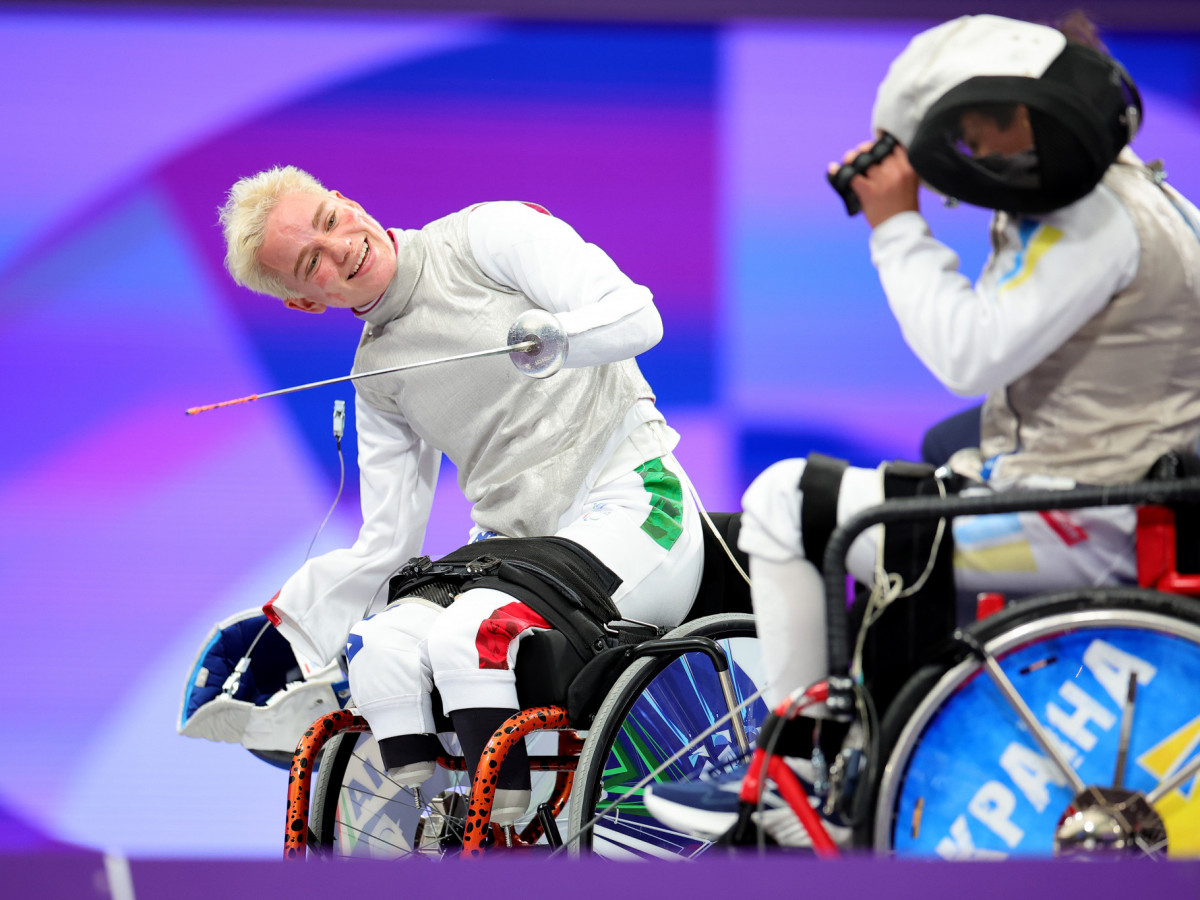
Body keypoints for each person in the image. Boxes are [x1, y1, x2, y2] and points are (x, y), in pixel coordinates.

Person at [645, 13, 1200, 848]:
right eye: (969, 140)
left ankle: (796, 773)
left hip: (1088, 519)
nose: (984, 156)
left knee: (784, 502)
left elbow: (965, 351)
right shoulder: (1147, 196)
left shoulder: (1094, 220)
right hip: (1117, 495)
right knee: (930, 457)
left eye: (989, 132)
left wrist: (896, 224)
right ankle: (876, 731)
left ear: (1040, 107)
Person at [193, 166, 704, 828]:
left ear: (346, 200)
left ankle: (513, 818)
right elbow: (386, 542)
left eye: (327, 220)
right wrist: (292, 629)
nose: (339, 247)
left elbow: (639, 316)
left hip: (635, 500)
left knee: (475, 634)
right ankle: (473, 837)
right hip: (525, 554)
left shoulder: (486, 235)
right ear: (304, 302)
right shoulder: (376, 380)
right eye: (310, 261)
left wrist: (559, 340)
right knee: (381, 649)